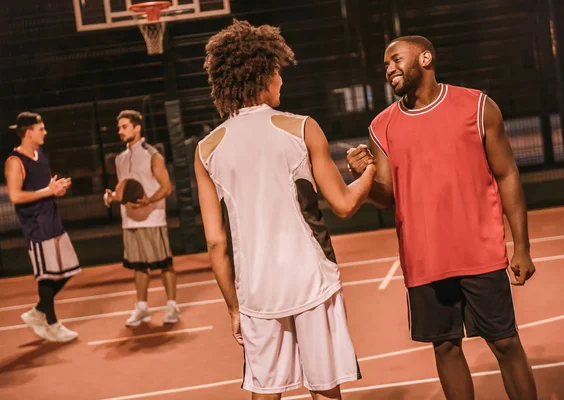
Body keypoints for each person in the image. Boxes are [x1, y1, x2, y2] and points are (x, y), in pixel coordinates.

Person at [347, 36, 538, 400]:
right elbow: (387, 197)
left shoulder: (477, 106)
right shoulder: (382, 126)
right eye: (385, 65)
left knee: (506, 343)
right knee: (445, 348)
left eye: (396, 60)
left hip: (479, 253)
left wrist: (522, 247)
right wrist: (366, 179)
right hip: (425, 261)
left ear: (426, 58)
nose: (389, 69)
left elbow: (507, 174)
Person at [196, 20, 376, 399]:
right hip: (311, 276)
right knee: (324, 387)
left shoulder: (207, 149)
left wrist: (234, 308)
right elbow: (343, 204)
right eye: (277, 71)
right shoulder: (302, 128)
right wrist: (370, 172)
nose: (282, 80)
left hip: (256, 289)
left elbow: (216, 243)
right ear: (262, 74)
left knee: (266, 390)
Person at [5, 112, 81, 343]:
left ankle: (37, 312)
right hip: (36, 227)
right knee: (46, 277)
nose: (45, 132)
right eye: (41, 129)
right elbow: (15, 196)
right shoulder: (14, 161)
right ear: (29, 133)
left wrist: (56, 188)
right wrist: (48, 191)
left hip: (53, 221)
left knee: (68, 270)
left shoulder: (41, 155)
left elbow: (45, 186)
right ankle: (51, 323)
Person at [103, 110, 180, 327]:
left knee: (165, 264)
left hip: (153, 219)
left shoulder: (153, 155)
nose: (120, 131)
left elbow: (166, 188)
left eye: (124, 126)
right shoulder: (119, 159)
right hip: (129, 221)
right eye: (119, 127)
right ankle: (142, 308)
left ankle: (172, 306)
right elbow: (124, 191)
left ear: (137, 127)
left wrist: (149, 200)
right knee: (138, 267)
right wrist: (111, 196)